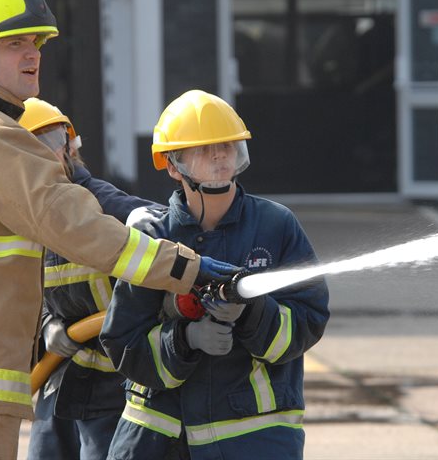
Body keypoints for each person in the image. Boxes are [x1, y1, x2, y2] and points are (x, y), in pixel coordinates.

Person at [0, 0, 237, 458]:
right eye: (14, 42)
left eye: (36, 42)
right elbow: (79, 226)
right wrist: (190, 269)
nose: (32, 54)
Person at [100, 90, 330, 459]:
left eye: (227, 145)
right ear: (173, 165)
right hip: (159, 439)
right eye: (204, 149)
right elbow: (122, 340)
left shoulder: (275, 226)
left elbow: (309, 318)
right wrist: (186, 339)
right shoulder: (155, 239)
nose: (220, 155)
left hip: (253, 437)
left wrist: (253, 313)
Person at [19, 98, 166, 459]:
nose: (43, 155)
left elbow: (164, 231)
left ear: (70, 147)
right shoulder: (19, 218)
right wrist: (48, 325)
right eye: (29, 147)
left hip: (114, 389)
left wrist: (152, 227)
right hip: (60, 383)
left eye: (51, 142)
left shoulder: (104, 205)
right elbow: (22, 296)